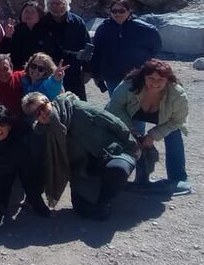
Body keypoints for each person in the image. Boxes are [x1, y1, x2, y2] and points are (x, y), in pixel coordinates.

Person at [23, 92, 139, 221]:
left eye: (42, 108)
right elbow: (45, 165)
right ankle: (99, 187)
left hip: (112, 152)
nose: (42, 114)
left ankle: (104, 202)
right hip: (83, 168)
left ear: (48, 101)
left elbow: (114, 122)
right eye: (36, 113)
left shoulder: (79, 109)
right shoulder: (43, 132)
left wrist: (133, 145)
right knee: (81, 208)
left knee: (117, 170)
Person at [105, 59, 191, 195]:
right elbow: (114, 107)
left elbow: (177, 121)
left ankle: (178, 178)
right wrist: (132, 132)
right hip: (132, 113)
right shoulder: (129, 85)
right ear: (143, 76)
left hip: (166, 117)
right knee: (135, 142)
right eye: (151, 78)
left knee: (174, 134)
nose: (155, 83)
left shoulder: (177, 94)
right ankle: (140, 179)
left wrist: (152, 135)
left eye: (160, 80)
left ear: (167, 80)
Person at [91, 0, 162, 95]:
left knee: (138, 105)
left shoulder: (145, 30)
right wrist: (96, 75)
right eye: (114, 11)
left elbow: (155, 49)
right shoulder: (103, 29)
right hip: (113, 77)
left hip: (138, 76)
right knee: (117, 106)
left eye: (121, 11)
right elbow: (96, 52)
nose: (117, 14)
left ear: (129, 11)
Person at [41, 0, 92, 100]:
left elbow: (88, 46)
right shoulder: (42, 23)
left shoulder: (77, 22)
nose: (56, 7)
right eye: (52, 4)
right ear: (47, 6)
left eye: (59, 3)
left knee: (77, 108)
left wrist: (88, 70)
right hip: (48, 74)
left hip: (74, 73)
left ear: (66, 4)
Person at [0, 1, 50, 70]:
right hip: (18, 71)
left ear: (39, 16)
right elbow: (2, 53)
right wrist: (7, 37)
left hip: (39, 71)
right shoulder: (14, 30)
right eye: (26, 11)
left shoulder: (45, 32)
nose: (29, 14)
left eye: (32, 12)